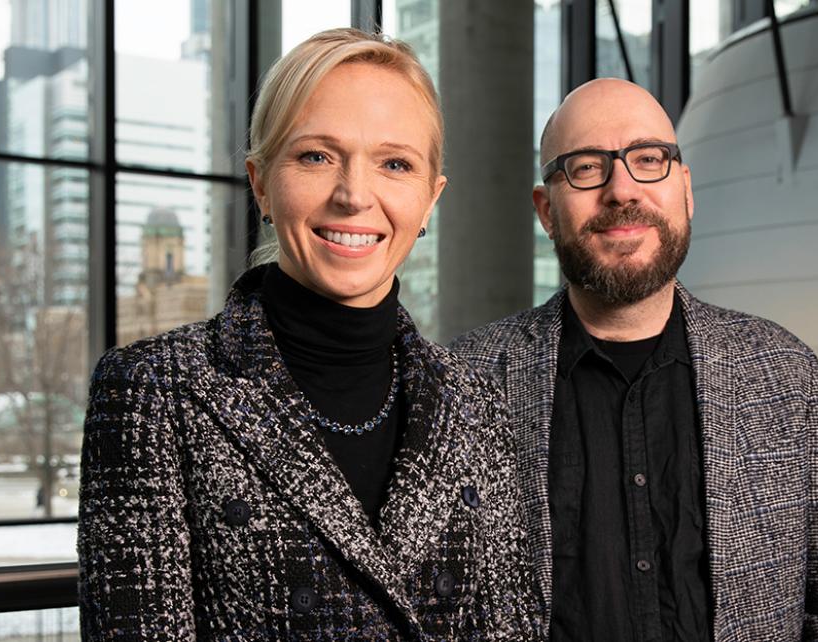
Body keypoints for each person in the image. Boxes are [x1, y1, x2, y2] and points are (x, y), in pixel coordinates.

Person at [78, 29, 542, 640]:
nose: (354, 195)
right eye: (316, 156)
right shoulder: (152, 391)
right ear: (262, 182)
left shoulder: (479, 403)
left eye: (394, 163)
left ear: (430, 201)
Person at [452, 78, 818, 641]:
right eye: (586, 167)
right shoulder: (466, 383)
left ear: (685, 189)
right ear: (546, 210)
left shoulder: (787, 374)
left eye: (648, 159)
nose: (622, 189)